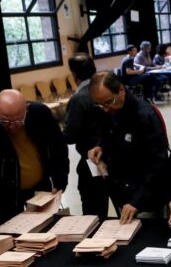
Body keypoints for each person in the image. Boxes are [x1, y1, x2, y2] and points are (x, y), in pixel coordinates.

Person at [0, 90, 69, 233]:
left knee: (45, 233)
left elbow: (58, 148)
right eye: (5, 121)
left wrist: (60, 179)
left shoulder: (40, 114)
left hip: (40, 191)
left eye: (17, 120)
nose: (12, 126)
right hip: (3, 196)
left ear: (26, 108)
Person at [88, 71, 169, 224]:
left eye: (108, 102)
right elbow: (105, 135)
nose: (105, 108)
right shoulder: (107, 109)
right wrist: (100, 147)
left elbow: (158, 164)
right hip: (121, 192)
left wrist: (136, 201)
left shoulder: (144, 115)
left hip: (146, 198)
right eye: (100, 104)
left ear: (121, 90)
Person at [63, 53, 108, 219]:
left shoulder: (79, 98)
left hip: (91, 161)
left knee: (93, 213)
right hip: (114, 155)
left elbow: (69, 135)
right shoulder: (108, 89)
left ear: (74, 75)